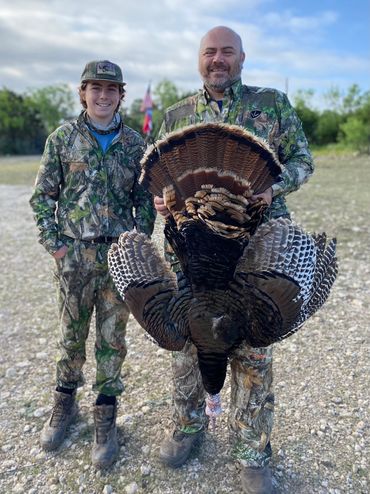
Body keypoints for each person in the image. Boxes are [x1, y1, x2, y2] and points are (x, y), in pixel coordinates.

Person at [154, 26, 314, 494]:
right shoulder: (175, 115)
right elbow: (161, 179)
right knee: (187, 344)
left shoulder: (272, 105)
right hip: (191, 256)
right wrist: (164, 202)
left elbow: (303, 160)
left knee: (253, 350)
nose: (217, 59)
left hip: (255, 249)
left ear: (242, 57)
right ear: (198, 59)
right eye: (210, 52)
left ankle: (253, 450)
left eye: (227, 52)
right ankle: (187, 427)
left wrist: (273, 188)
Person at [30, 60, 156, 469]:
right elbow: (42, 196)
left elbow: (144, 198)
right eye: (95, 88)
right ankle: (64, 405)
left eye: (111, 89)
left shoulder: (136, 145)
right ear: (82, 93)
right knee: (71, 335)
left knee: (112, 338)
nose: (103, 96)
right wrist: (55, 245)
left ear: (122, 95)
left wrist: (139, 240)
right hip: (74, 258)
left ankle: (106, 415)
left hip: (118, 258)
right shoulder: (62, 139)